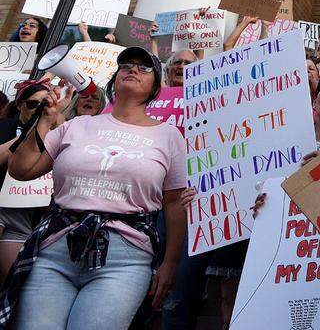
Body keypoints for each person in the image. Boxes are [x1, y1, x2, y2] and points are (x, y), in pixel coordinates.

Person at [3, 47, 186, 329]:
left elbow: (173, 203)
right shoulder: (77, 125)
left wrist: (170, 264)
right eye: (126, 64)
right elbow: (21, 170)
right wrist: (45, 119)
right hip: (56, 251)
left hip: (125, 259)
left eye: (144, 67)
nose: (133, 69)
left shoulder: (168, 135)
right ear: (114, 79)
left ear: (155, 88)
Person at [0, 82, 53, 281]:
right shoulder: (4, 127)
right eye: (33, 104)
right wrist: (26, 137)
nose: (39, 109)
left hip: (25, 217)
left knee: (15, 281)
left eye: (45, 105)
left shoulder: (54, 134)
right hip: (1, 206)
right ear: (20, 104)